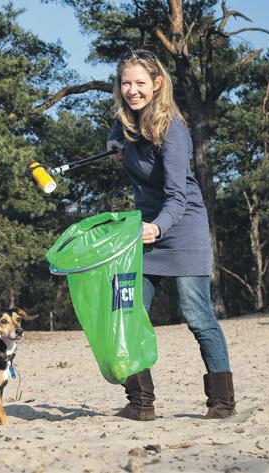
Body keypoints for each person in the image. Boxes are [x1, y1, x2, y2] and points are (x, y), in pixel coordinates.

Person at [105, 49, 236, 421]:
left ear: (157, 83)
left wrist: (158, 227)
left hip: (182, 227)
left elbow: (178, 196)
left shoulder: (173, 129)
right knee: (127, 313)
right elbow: (115, 143)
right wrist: (113, 147)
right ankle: (140, 403)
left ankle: (222, 403)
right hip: (142, 229)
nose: (132, 90)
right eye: (126, 83)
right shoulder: (123, 122)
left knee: (197, 315)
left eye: (140, 83)